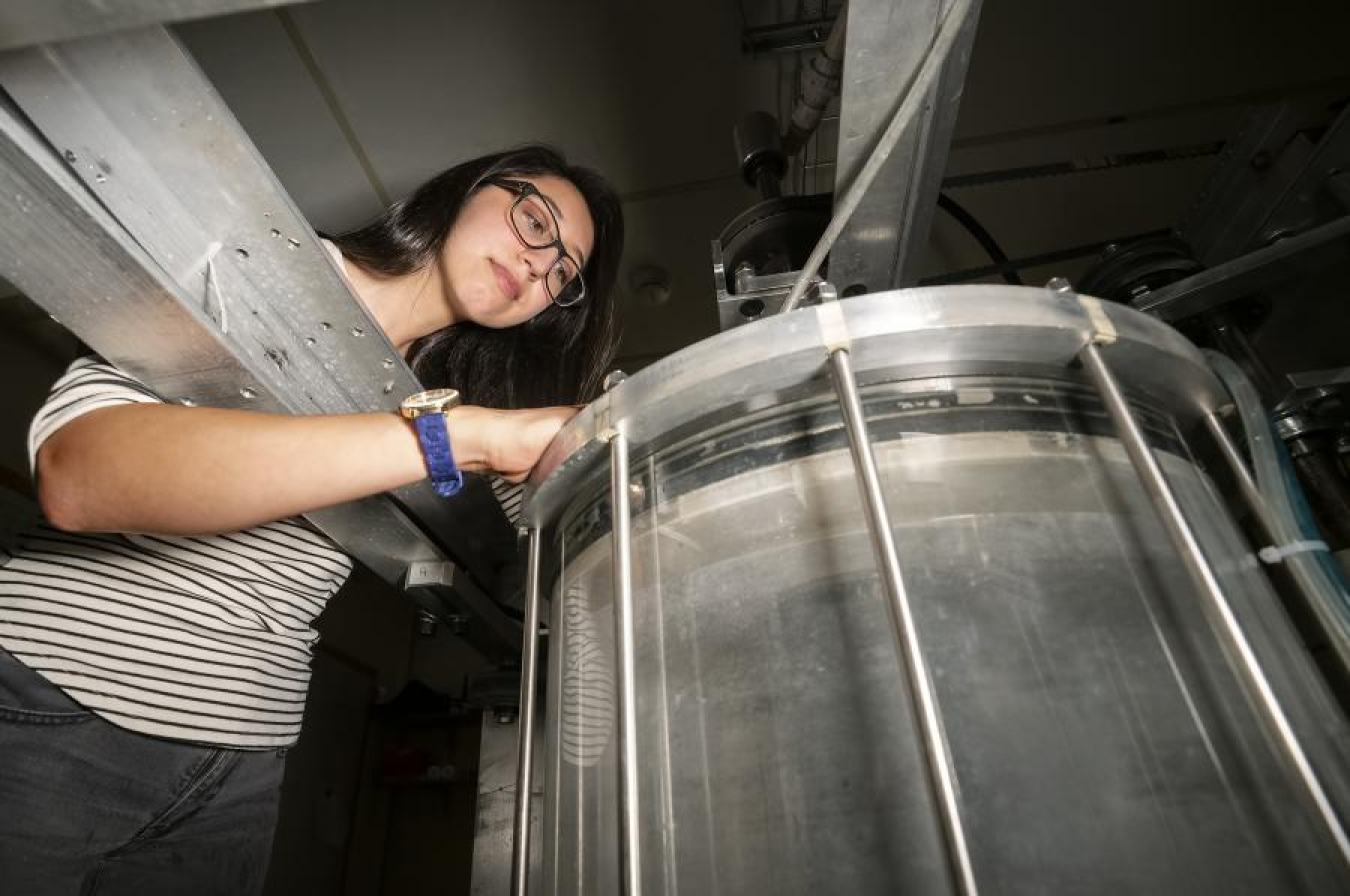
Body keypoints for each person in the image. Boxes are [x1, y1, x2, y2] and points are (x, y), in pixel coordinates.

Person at [0, 144, 623, 895]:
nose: (536, 267)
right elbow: (80, 473)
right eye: (534, 222)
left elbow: (556, 574)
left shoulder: (454, 395)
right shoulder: (269, 268)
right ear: (467, 189)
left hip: (242, 764)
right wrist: (459, 439)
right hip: (57, 701)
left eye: (561, 275)